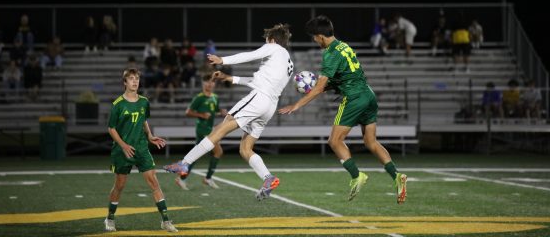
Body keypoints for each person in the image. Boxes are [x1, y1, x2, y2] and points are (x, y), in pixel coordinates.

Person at [278, 15, 407, 203]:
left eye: (314, 37)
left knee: (334, 141)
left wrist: (296, 105)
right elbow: (343, 77)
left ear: (321, 36)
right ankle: (397, 176)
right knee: (371, 142)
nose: (314, 41)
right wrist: (323, 86)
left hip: (354, 98)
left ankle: (356, 176)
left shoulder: (330, 53)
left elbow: (321, 87)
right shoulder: (344, 46)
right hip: (368, 95)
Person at [164, 23, 294, 201]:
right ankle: (268, 178)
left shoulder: (273, 47)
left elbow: (249, 56)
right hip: (269, 106)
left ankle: (185, 163)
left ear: (272, 40)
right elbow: (259, 80)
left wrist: (222, 60)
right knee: (245, 148)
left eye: (266, 40)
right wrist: (229, 78)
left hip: (259, 99)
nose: (265, 42)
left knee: (221, 128)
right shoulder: (288, 61)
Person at [104, 68, 177, 233]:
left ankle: (165, 220)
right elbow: (111, 128)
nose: (135, 81)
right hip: (123, 151)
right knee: (119, 185)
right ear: (125, 83)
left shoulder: (144, 101)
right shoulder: (117, 104)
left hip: (142, 148)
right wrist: (123, 145)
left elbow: (143, 120)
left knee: (154, 182)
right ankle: (109, 218)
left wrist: (150, 136)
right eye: (131, 79)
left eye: (136, 78)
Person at [175, 74, 227, 190]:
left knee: (196, 155)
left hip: (210, 129)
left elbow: (215, 111)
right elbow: (188, 112)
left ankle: (183, 178)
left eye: (212, 82)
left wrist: (221, 112)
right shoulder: (199, 98)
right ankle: (207, 178)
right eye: (207, 82)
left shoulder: (215, 97)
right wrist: (201, 115)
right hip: (202, 129)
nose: (210, 84)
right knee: (218, 151)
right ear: (203, 84)